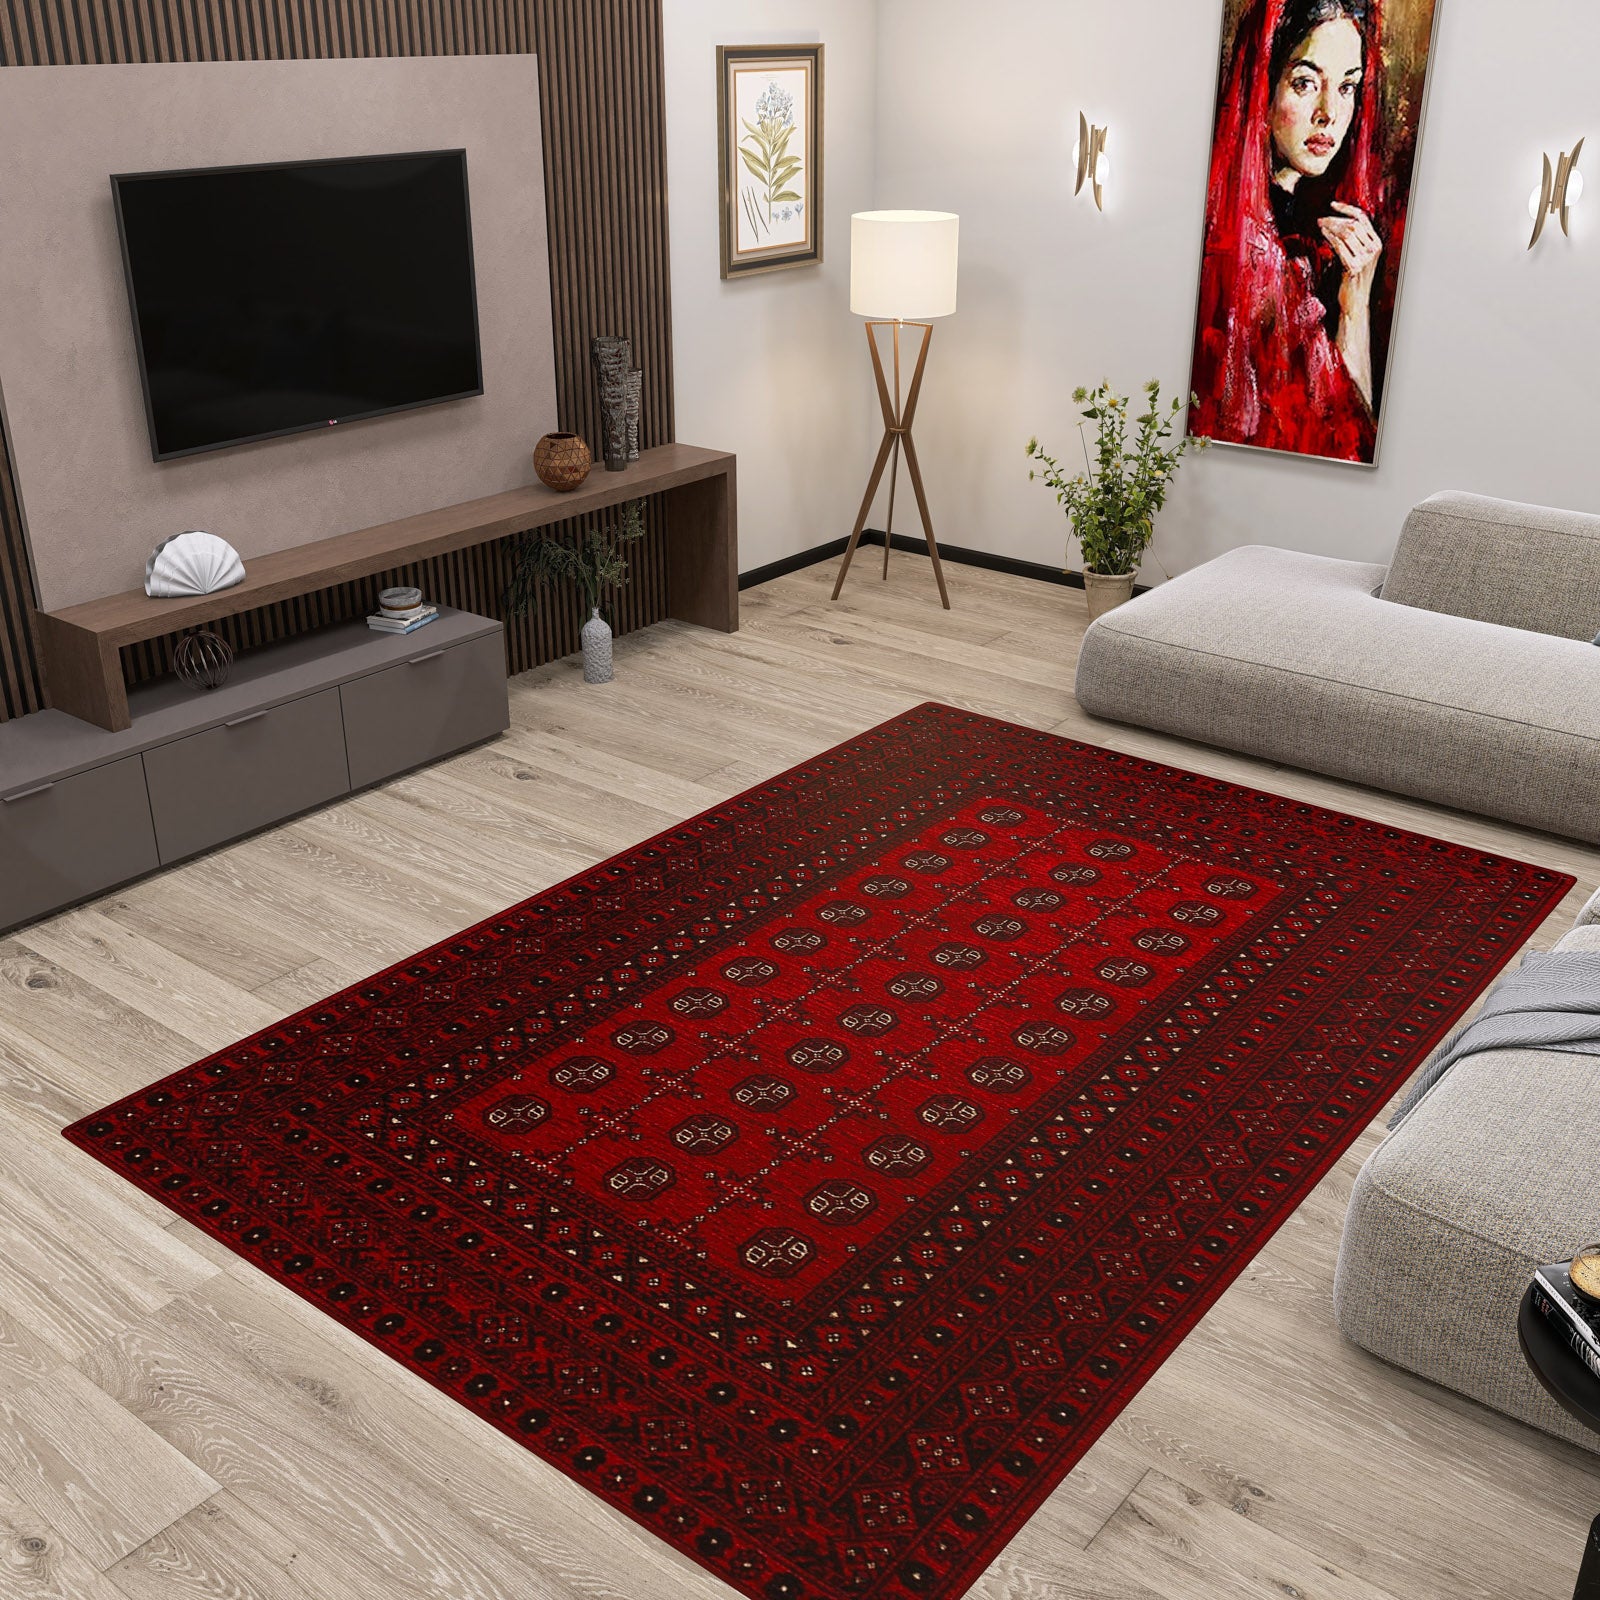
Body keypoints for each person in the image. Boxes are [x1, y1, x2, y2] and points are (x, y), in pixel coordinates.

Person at [1190, 0, 1389, 464]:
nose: (1329, 113)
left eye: (1346, 87)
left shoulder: (1323, 239)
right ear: (1264, 85)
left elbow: (1351, 440)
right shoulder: (1243, 243)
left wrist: (1354, 301)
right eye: (1305, 83)